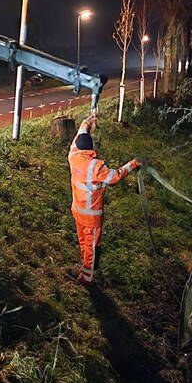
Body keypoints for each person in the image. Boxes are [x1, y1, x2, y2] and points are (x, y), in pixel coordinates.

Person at [67, 113, 141, 284]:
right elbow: (115, 177)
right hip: (91, 216)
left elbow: (80, 135)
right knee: (92, 248)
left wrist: (87, 121)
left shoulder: (73, 156)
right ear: (91, 149)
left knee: (83, 242)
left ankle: (85, 270)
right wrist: (133, 164)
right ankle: (87, 278)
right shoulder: (96, 166)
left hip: (77, 211)